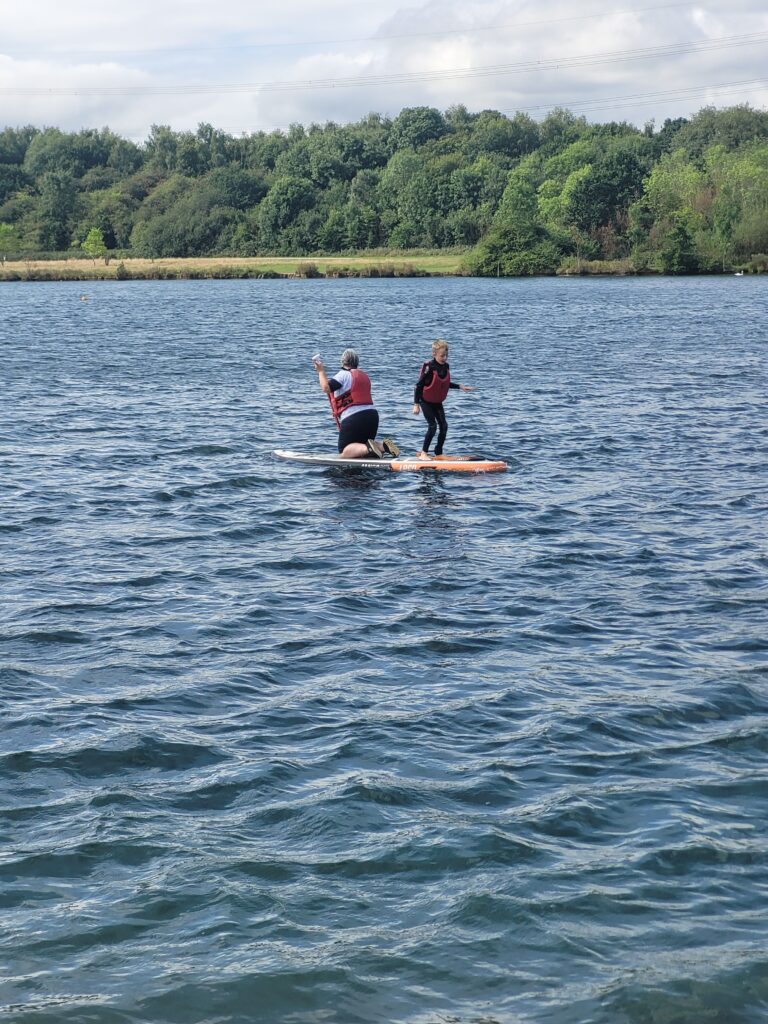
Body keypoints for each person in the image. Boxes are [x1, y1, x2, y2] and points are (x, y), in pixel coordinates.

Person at [313, 348, 399, 459]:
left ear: (343, 361)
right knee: (363, 443)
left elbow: (326, 388)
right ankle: (382, 446)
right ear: (356, 362)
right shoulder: (364, 376)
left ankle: (368, 448)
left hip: (354, 418)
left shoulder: (343, 375)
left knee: (345, 450)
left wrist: (320, 371)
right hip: (372, 417)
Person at [412, 339, 473, 458]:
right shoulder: (429, 367)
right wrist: (416, 404)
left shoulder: (446, 367)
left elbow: (444, 383)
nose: (444, 358)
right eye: (442, 355)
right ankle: (424, 453)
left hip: (437, 402)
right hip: (425, 401)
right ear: (434, 354)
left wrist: (460, 386)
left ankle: (438, 452)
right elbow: (418, 386)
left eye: (446, 355)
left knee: (444, 426)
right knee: (432, 426)